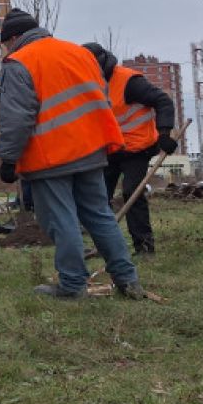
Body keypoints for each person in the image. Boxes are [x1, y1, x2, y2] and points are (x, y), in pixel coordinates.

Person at [0, 9, 143, 300]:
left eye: (5, 43)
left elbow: (16, 118)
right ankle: (127, 279)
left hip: (50, 157)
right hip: (90, 149)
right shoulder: (79, 53)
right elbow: (100, 95)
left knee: (62, 221)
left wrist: (9, 158)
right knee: (100, 216)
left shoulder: (18, 62)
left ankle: (73, 285)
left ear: (13, 38)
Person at [82, 43, 178, 254]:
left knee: (131, 193)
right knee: (97, 198)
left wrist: (164, 133)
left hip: (137, 148)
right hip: (109, 149)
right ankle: (106, 247)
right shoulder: (87, 83)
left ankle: (144, 247)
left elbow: (162, 101)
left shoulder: (129, 81)